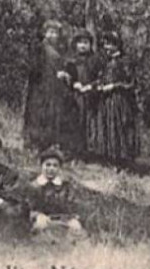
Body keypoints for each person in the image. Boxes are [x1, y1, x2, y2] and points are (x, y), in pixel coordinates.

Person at [86, 33, 140, 167]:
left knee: (120, 127)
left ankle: (123, 160)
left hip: (120, 100)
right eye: (105, 44)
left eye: (110, 44)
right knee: (108, 128)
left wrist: (114, 86)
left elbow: (131, 83)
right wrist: (94, 85)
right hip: (106, 100)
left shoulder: (125, 61)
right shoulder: (106, 61)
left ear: (117, 45)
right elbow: (103, 78)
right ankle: (110, 159)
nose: (107, 47)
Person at [22, 20, 69, 153]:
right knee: (38, 114)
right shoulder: (40, 48)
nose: (53, 35)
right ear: (45, 33)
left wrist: (62, 74)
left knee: (51, 114)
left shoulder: (58, 50)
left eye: (55, 33)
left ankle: (48, 144)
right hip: (41, 87)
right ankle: (35, 144)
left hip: (53, 88)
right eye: (50, 32)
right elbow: (34, 67)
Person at [58, 28, 103, 159]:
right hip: (75, 96)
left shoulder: (96, 60)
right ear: (75, 44)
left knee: (90, 122)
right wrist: (72, 82)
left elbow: (101, 78)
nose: (83, 46)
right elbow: (67, 77)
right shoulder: (71, 60)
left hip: (91, 96)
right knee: (74, 121)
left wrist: (91, 86)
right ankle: (73, 151)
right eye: (80, 43)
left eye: (86, 43)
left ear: (90, 45)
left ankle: (90, 152)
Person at [28, 146, 84, 233]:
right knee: (40, 225)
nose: (51, 169)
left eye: (55, 166)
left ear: (59, 168)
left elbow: (72, 206)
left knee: (76, 227)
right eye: (48, 165)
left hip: (63, 219)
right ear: (41, 166)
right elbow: (28, 208)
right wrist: (38, 215)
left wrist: (71, 218)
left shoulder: (66, 187)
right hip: (41, 219)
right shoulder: (34, 186)